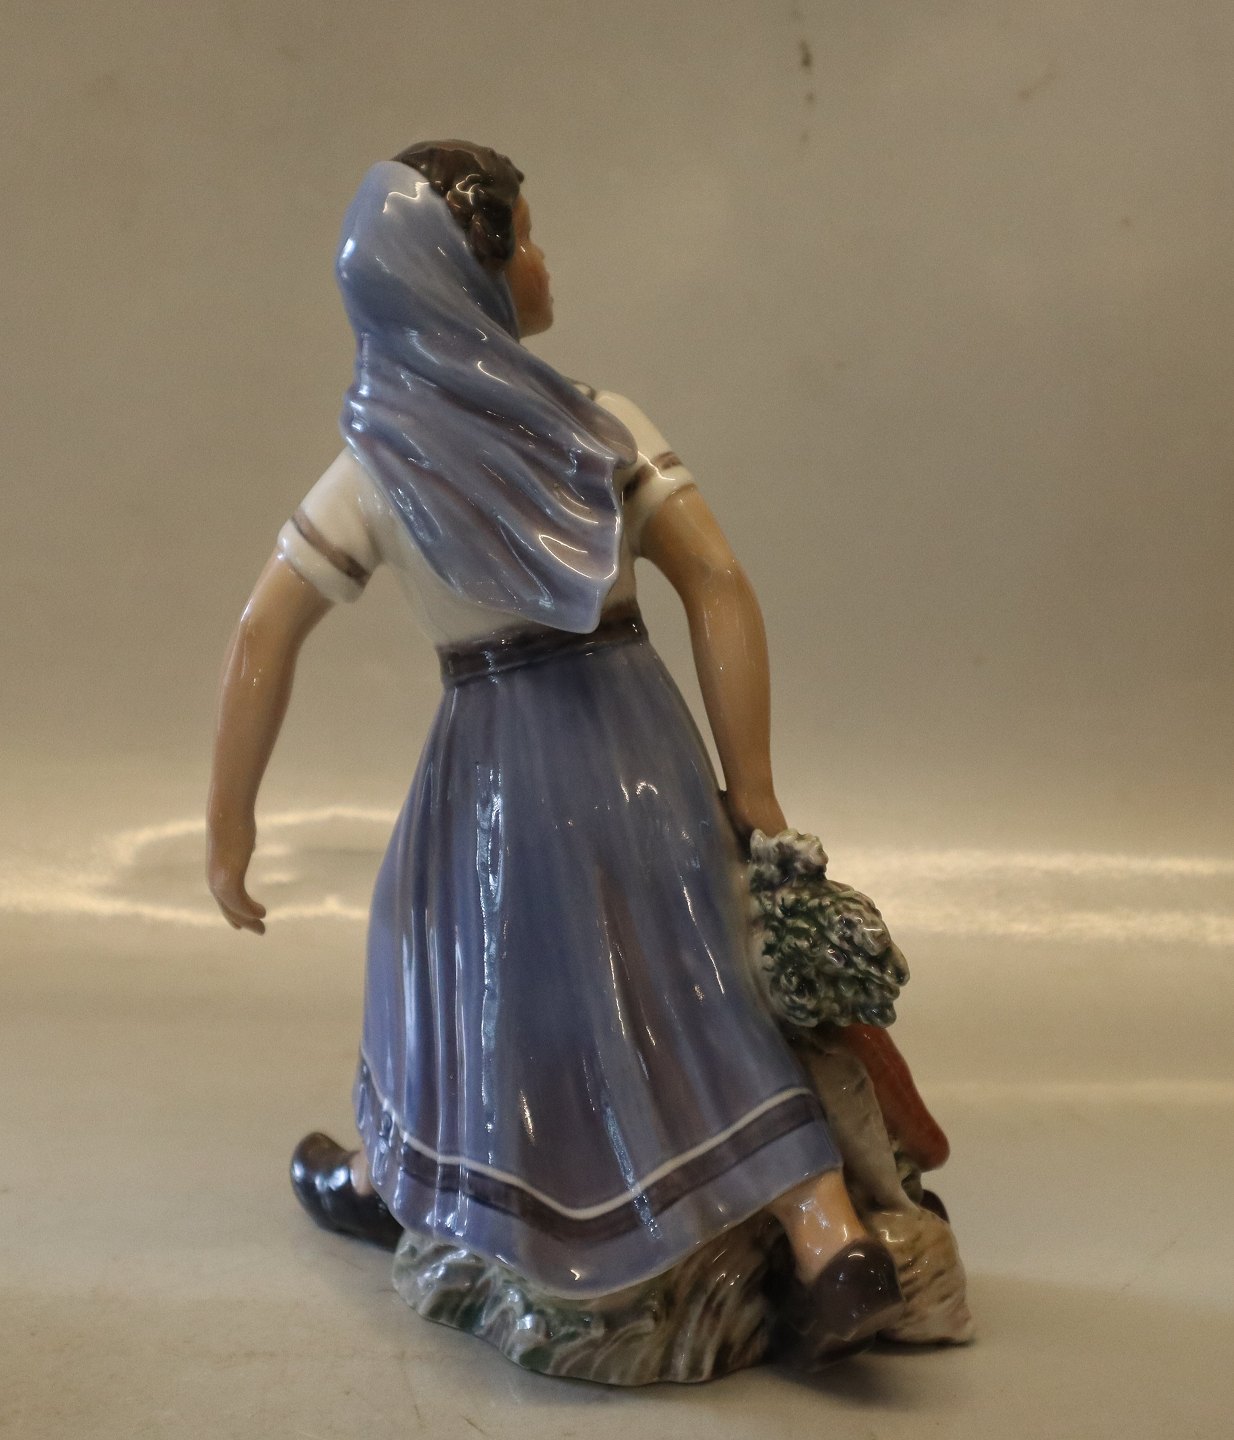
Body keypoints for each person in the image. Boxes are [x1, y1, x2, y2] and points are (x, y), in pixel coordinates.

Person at [206, 140, 903, 1364]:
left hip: (490, 771)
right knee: (693, 976)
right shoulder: (602, 426)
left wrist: (230, 825)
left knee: (452, 963)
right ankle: (822, 1232)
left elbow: (262, 630)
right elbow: (717, 582)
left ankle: (405, 1178)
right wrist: (747, 781)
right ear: (458, 283)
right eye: (521, 240)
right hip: (637, 740)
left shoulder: (378, 468)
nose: (541, 260)